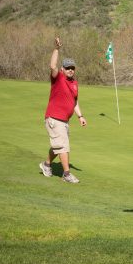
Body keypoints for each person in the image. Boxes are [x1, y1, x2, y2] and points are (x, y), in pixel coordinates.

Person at [39, 37, 87, 183]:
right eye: (68, 68)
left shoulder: (74, 83)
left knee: (58, 146)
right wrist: (57, 49)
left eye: (72, 68)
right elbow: (52, 65)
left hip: (64, 120)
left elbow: (74, 101)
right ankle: (66, 174)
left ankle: (46, 164)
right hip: (54, 118)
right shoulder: (58, 77)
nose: (70, 70)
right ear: (63, 69)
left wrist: (80, 116)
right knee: (63, 146)